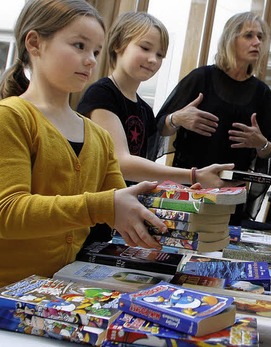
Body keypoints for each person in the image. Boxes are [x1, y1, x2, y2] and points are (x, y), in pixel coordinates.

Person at [0, 0, 166, 332]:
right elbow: (7, 214)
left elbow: (118, 208)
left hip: (51, 297)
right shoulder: (11, 117)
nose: (90, 59)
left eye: (96, 50)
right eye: (79, 46)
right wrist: (104, 205)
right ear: (35, 43)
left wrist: (172, 215)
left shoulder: (99, 137)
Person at [76, 12, 233, 245]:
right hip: (93, 220)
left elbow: (144, 169)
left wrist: (182, 191)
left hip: (123, 223)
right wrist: (192, 175)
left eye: (160, 54)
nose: (153, 59)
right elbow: (121, 163)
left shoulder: (145, 110)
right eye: (145, 48)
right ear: (118, 45)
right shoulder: (101, 94)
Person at [155, 12, 271, 225]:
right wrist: (177, 119)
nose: (257, 42)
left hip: (230, 196)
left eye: (260, 37)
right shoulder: (200, 78)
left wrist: (261, 143)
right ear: (230, 39)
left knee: (220, 249)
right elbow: (160, 127)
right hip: (190, 187)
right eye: (249, 35)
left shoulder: (262, 93)